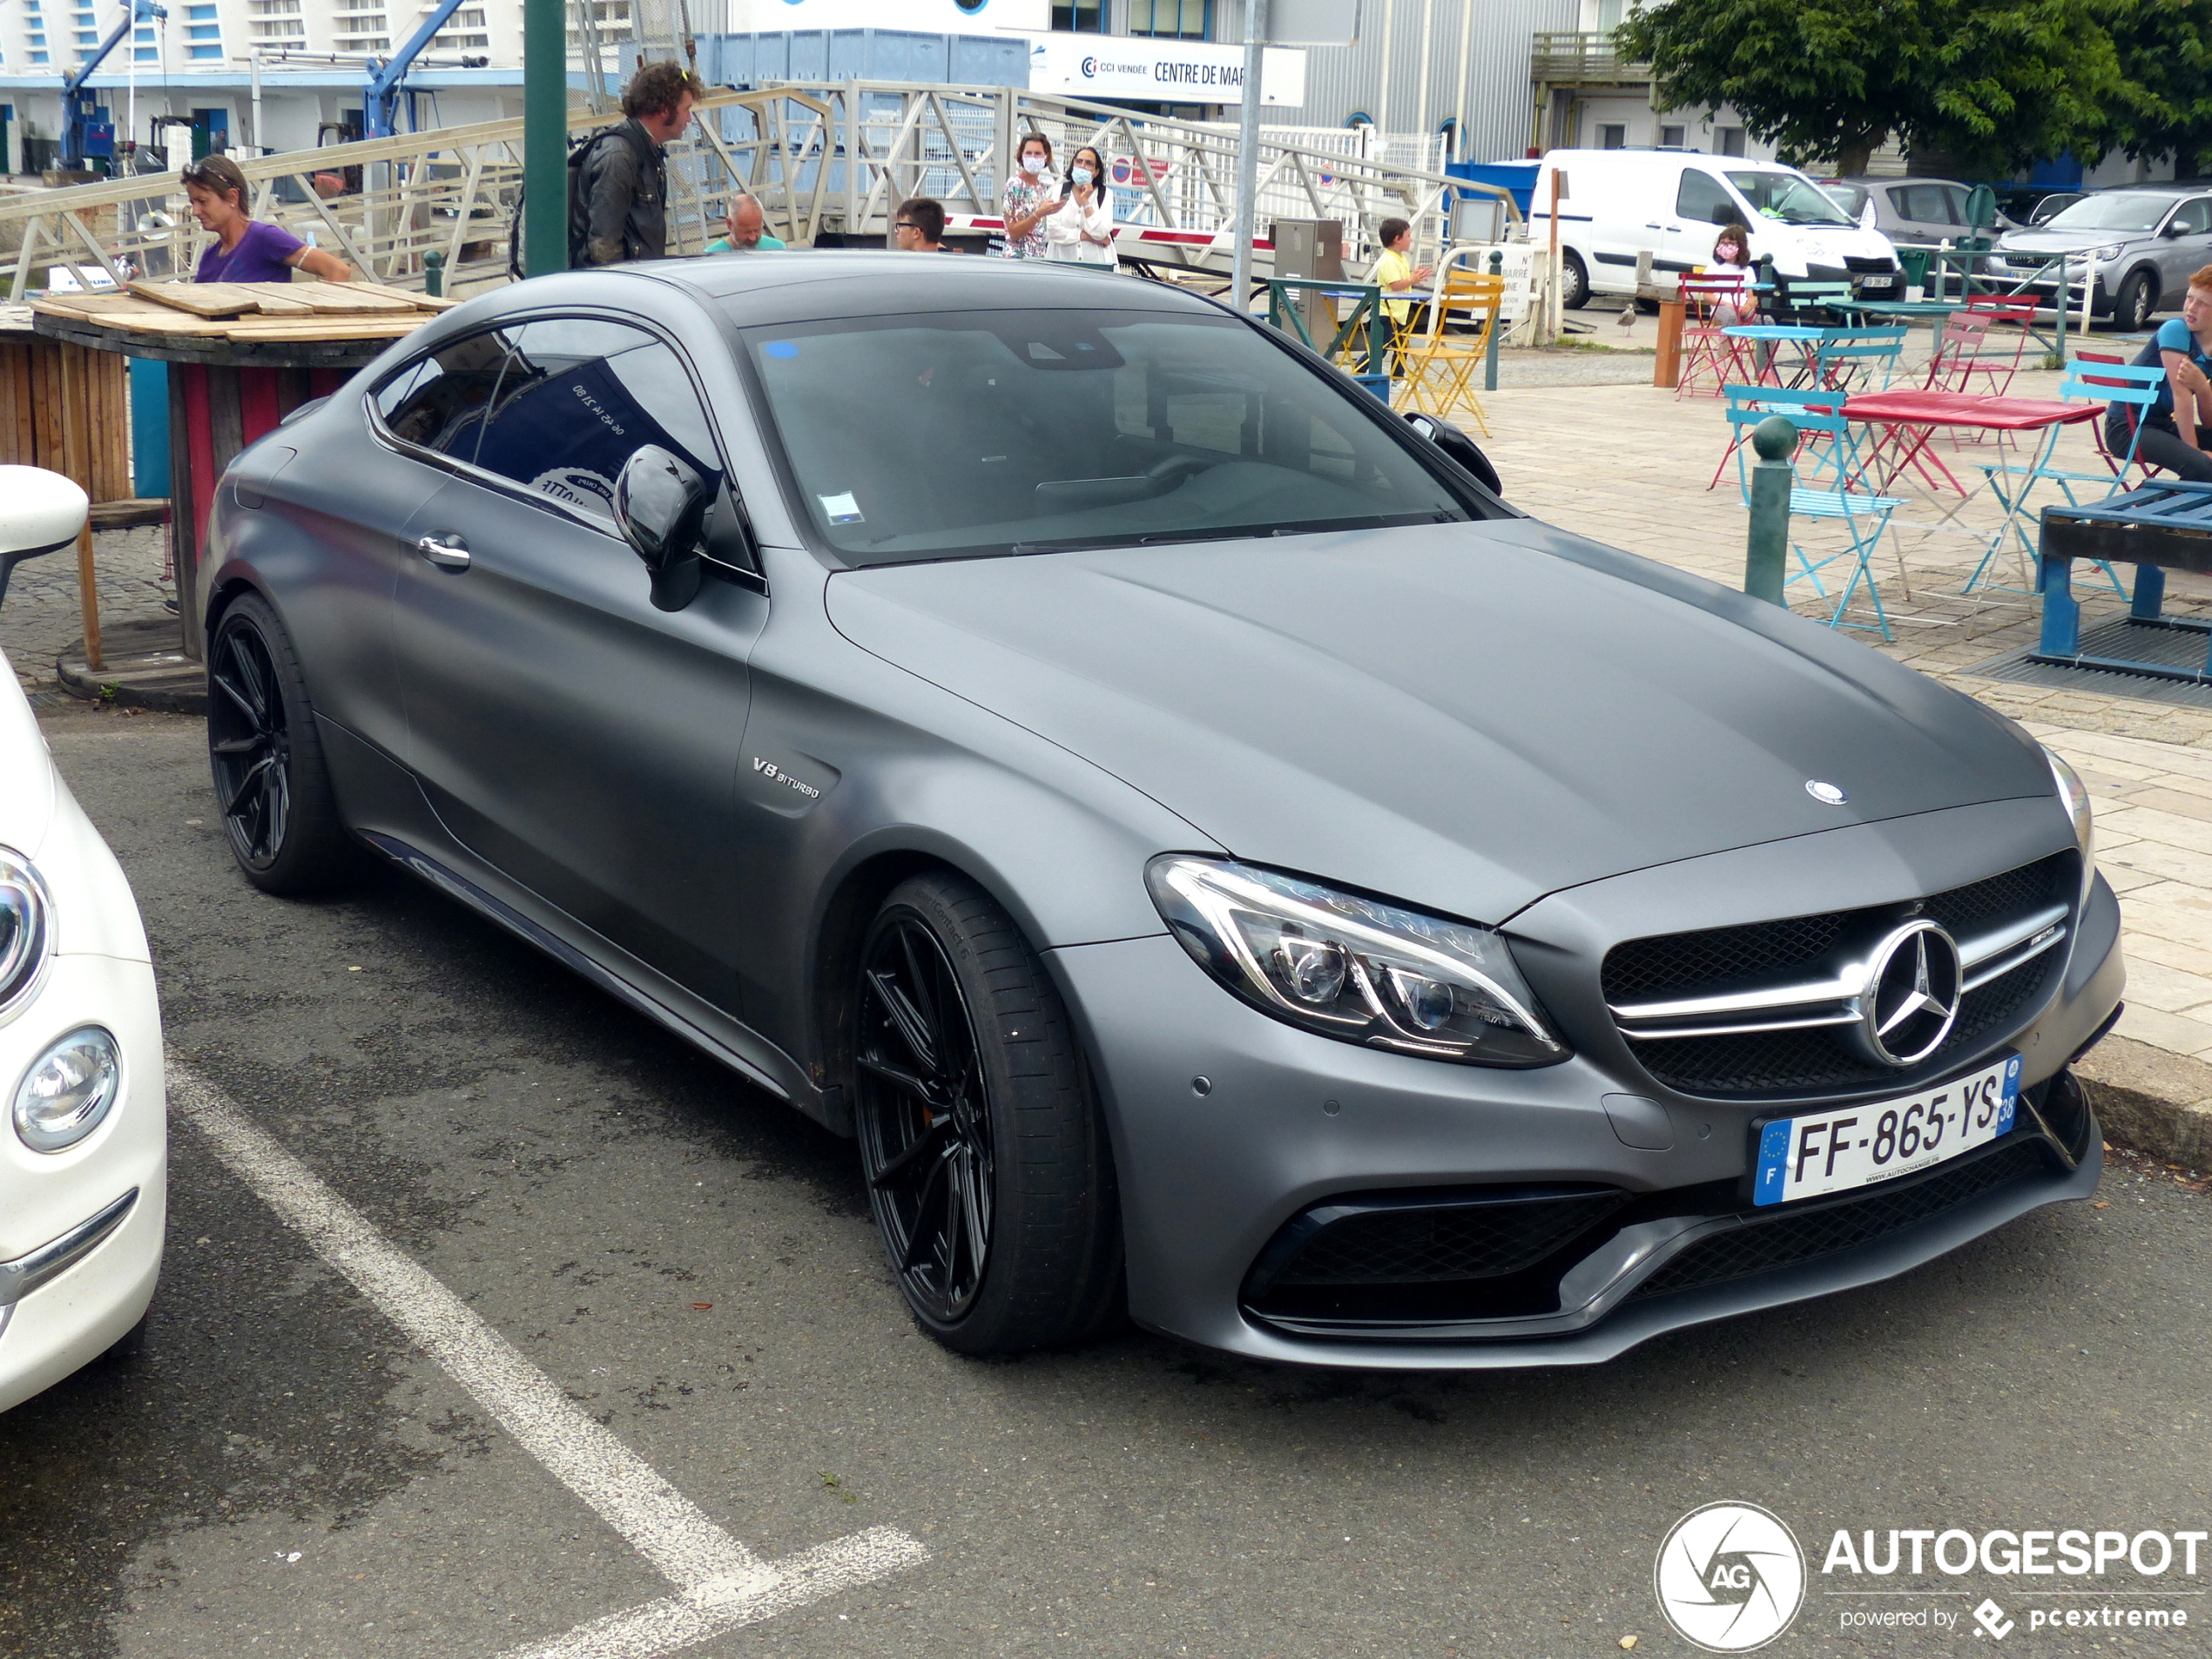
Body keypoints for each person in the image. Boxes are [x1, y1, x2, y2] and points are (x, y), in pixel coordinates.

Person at [572, 60, 704, 267]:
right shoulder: (618, 156)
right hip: (617, 287)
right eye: (686, 110)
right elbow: (603, 247)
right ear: (664, 110)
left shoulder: (645, 151)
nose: (690, 119)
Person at [182, 154, 351, 283]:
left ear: (232, 197)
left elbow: (338, 270)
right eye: (192, 203)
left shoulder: (264, 238)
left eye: (203, 201)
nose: (196, 211)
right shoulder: (210, 257)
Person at [2114, 264, 2212, 481]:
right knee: (2202, 466)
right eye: (2189, 298)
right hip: (2128, 427)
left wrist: (2203, 387)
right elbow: (2181, 395)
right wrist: (2195, 452)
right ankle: (2162, 507)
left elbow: (2209, 423)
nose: (2191, 308)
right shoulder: (2175, 330)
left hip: (2163, 425)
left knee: (2202, 464)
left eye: (2202, 303)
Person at [1045, 145, 1115, 266]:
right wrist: (1086, 237)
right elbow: (1053, 231)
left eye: (1088, 163)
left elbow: (1101, 233)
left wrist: (1085, 202)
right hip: (1061, 265)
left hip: (1097, 266)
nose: (1082, 166)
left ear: (1096, 171)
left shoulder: (1105, 195)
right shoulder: (1060, 191)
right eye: (1079, 161)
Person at [998, 132, 1061, 260]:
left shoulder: (1040, 187)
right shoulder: (1015, 185)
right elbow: (1014, 233)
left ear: (1046, 157)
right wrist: (1039, 214)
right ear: (1022, 155)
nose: (1033, 157)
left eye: (1037, 154)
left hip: (1036, 258)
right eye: (1028, 153)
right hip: (1018, 259)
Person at [1706, 221, 1757, 325]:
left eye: (1731, 243)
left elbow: (1752, 296)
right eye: (1723, 243)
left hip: (1743, 308)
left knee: (1766, 321)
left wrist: (1749, 305)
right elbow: (1707, 296)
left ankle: (1765, 341)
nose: (1726, 246)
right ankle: (1725, 341)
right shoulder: (1714, 267)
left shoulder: (1747, 270)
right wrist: (1729, 305)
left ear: (1741, 246)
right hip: (1721, 308)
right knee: (1731, 317)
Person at [706, 194, 785, 253]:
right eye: (747, 232)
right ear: (729, 224)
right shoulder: (712, 257)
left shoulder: (777, 250)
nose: (753, 238)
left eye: (757, 230)